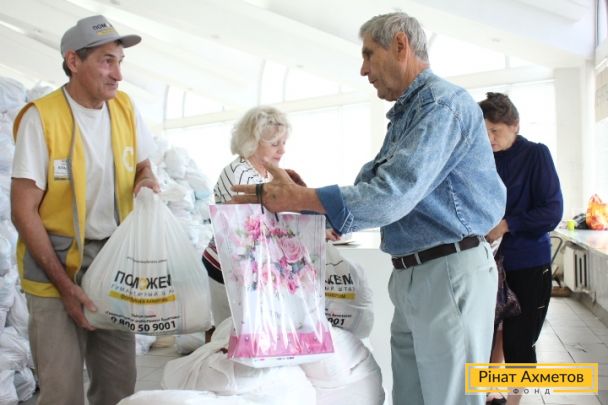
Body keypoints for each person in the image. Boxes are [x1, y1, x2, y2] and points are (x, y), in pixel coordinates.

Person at [232, 12, 506, 405]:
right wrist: (305, 198)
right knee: (410, 396)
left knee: (451, 398)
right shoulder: (409, 114)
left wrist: (302, 199)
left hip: (446, 269)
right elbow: (373, 187)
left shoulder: (442, 106)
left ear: (400, 45)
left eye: (368, 54)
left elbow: (391, 195)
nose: (363, 70)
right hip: (414, 272)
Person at [10, 15, 159, 405]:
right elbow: (23, 211)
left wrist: (146, 179)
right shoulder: (42, 118)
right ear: (73, 61)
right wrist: (66, 287)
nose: (118, 75)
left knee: (118, 385)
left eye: (120, 62)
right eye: (107, 61)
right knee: (61, 390)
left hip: (112, 266)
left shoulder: (124, 109)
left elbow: (143, 165)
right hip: (53, 267)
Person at [480, 92, 563, 405]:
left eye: (495, 131)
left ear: (514, 125)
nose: (489, 138)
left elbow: (551, 211)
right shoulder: (481, 159)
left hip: (527, 262)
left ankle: (514, 400)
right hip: (486, 263)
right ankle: (491, 394)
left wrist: (506, 225)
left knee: (519, 340)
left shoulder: (535, 155)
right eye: (484, 131)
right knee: (489, 334)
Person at [203, 106, 290, 328]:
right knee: (228, 332)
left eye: (283, 142)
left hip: (248, 265)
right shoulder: (239, 172)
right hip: (226, 265)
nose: (282, 150)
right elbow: (244, 226)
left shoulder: (267, 173)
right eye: (275, 144)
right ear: (252, 142)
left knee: (246, 331)